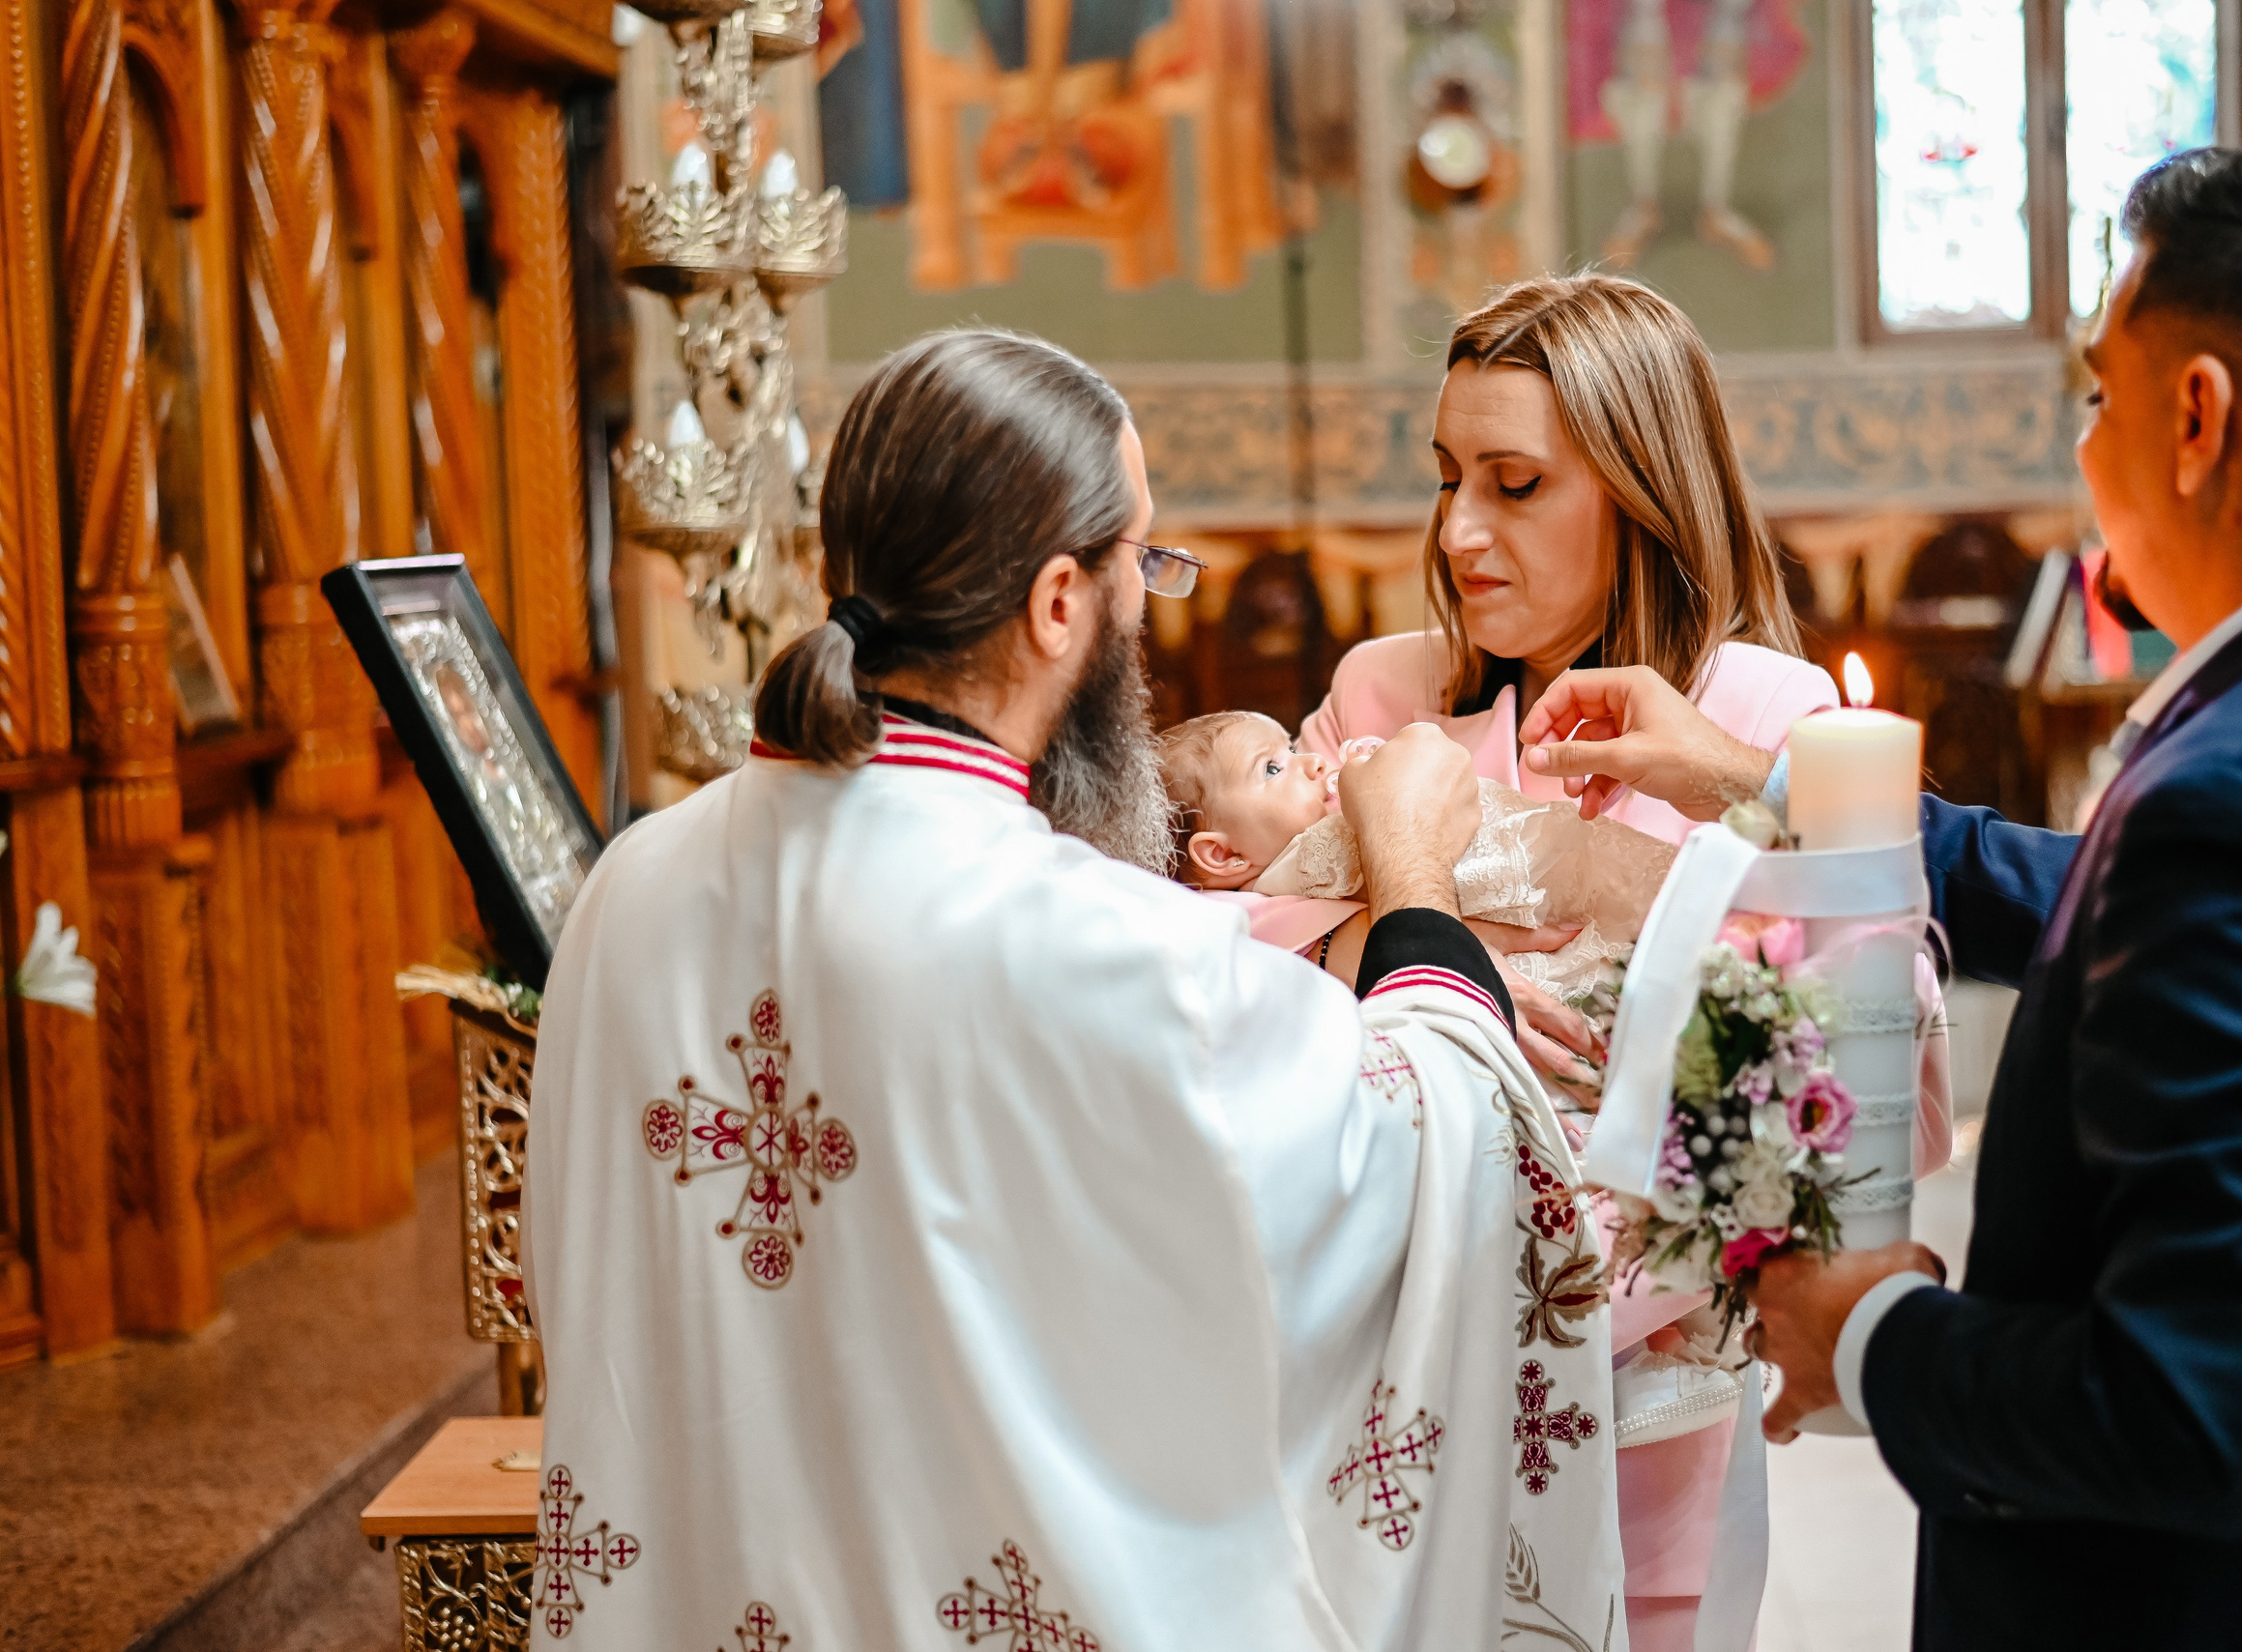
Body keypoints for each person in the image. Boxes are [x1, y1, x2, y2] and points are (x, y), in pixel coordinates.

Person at [522, 330, 1627, 1651]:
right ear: (1059, 603)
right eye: (1140, 564)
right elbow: (1428, 1156)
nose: (1145, 610)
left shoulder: (629, 888)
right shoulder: (1107, 949)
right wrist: (1412, 870)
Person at [1519, 146, 2242, 1649]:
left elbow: (2200, 1411)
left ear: (2197, 417)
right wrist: (1761, 783)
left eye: (2098, 395)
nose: (2084, 448)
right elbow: (2125, 899)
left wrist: (1872, 1331)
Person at [1251, 271, 1947, 1651]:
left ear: (1639, 490)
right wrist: (1424, 959)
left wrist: (1640, 874)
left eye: (1514, 484)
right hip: (1395, 1389)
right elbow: (1236, 956)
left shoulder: (1763, 712)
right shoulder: (1380, 693)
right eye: (1448, 477)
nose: (1458, 528)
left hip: (1648, 1391)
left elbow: (1871, 1061)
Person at [1159, 709, 1674, 1017]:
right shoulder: (1245, 920)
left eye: (1291, 748)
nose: (1312, 761)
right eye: (1273, 768)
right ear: (1224, 855)